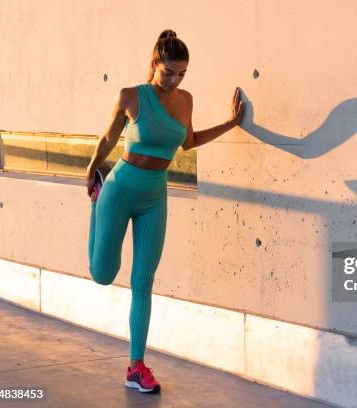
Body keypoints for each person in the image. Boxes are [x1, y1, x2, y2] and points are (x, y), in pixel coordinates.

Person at [85, 29, 244, 393]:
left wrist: (231, 123)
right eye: (169, 72)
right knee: (103, 275)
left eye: (182, 73)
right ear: (154, 64)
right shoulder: (130, 96)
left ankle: (136, 366)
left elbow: (188, 143)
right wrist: (92, 167)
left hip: (156, 197)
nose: (175, 80)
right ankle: (95, 205)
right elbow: (109, 138)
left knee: (143, 283)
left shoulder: (185, 100)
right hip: (119, 189)